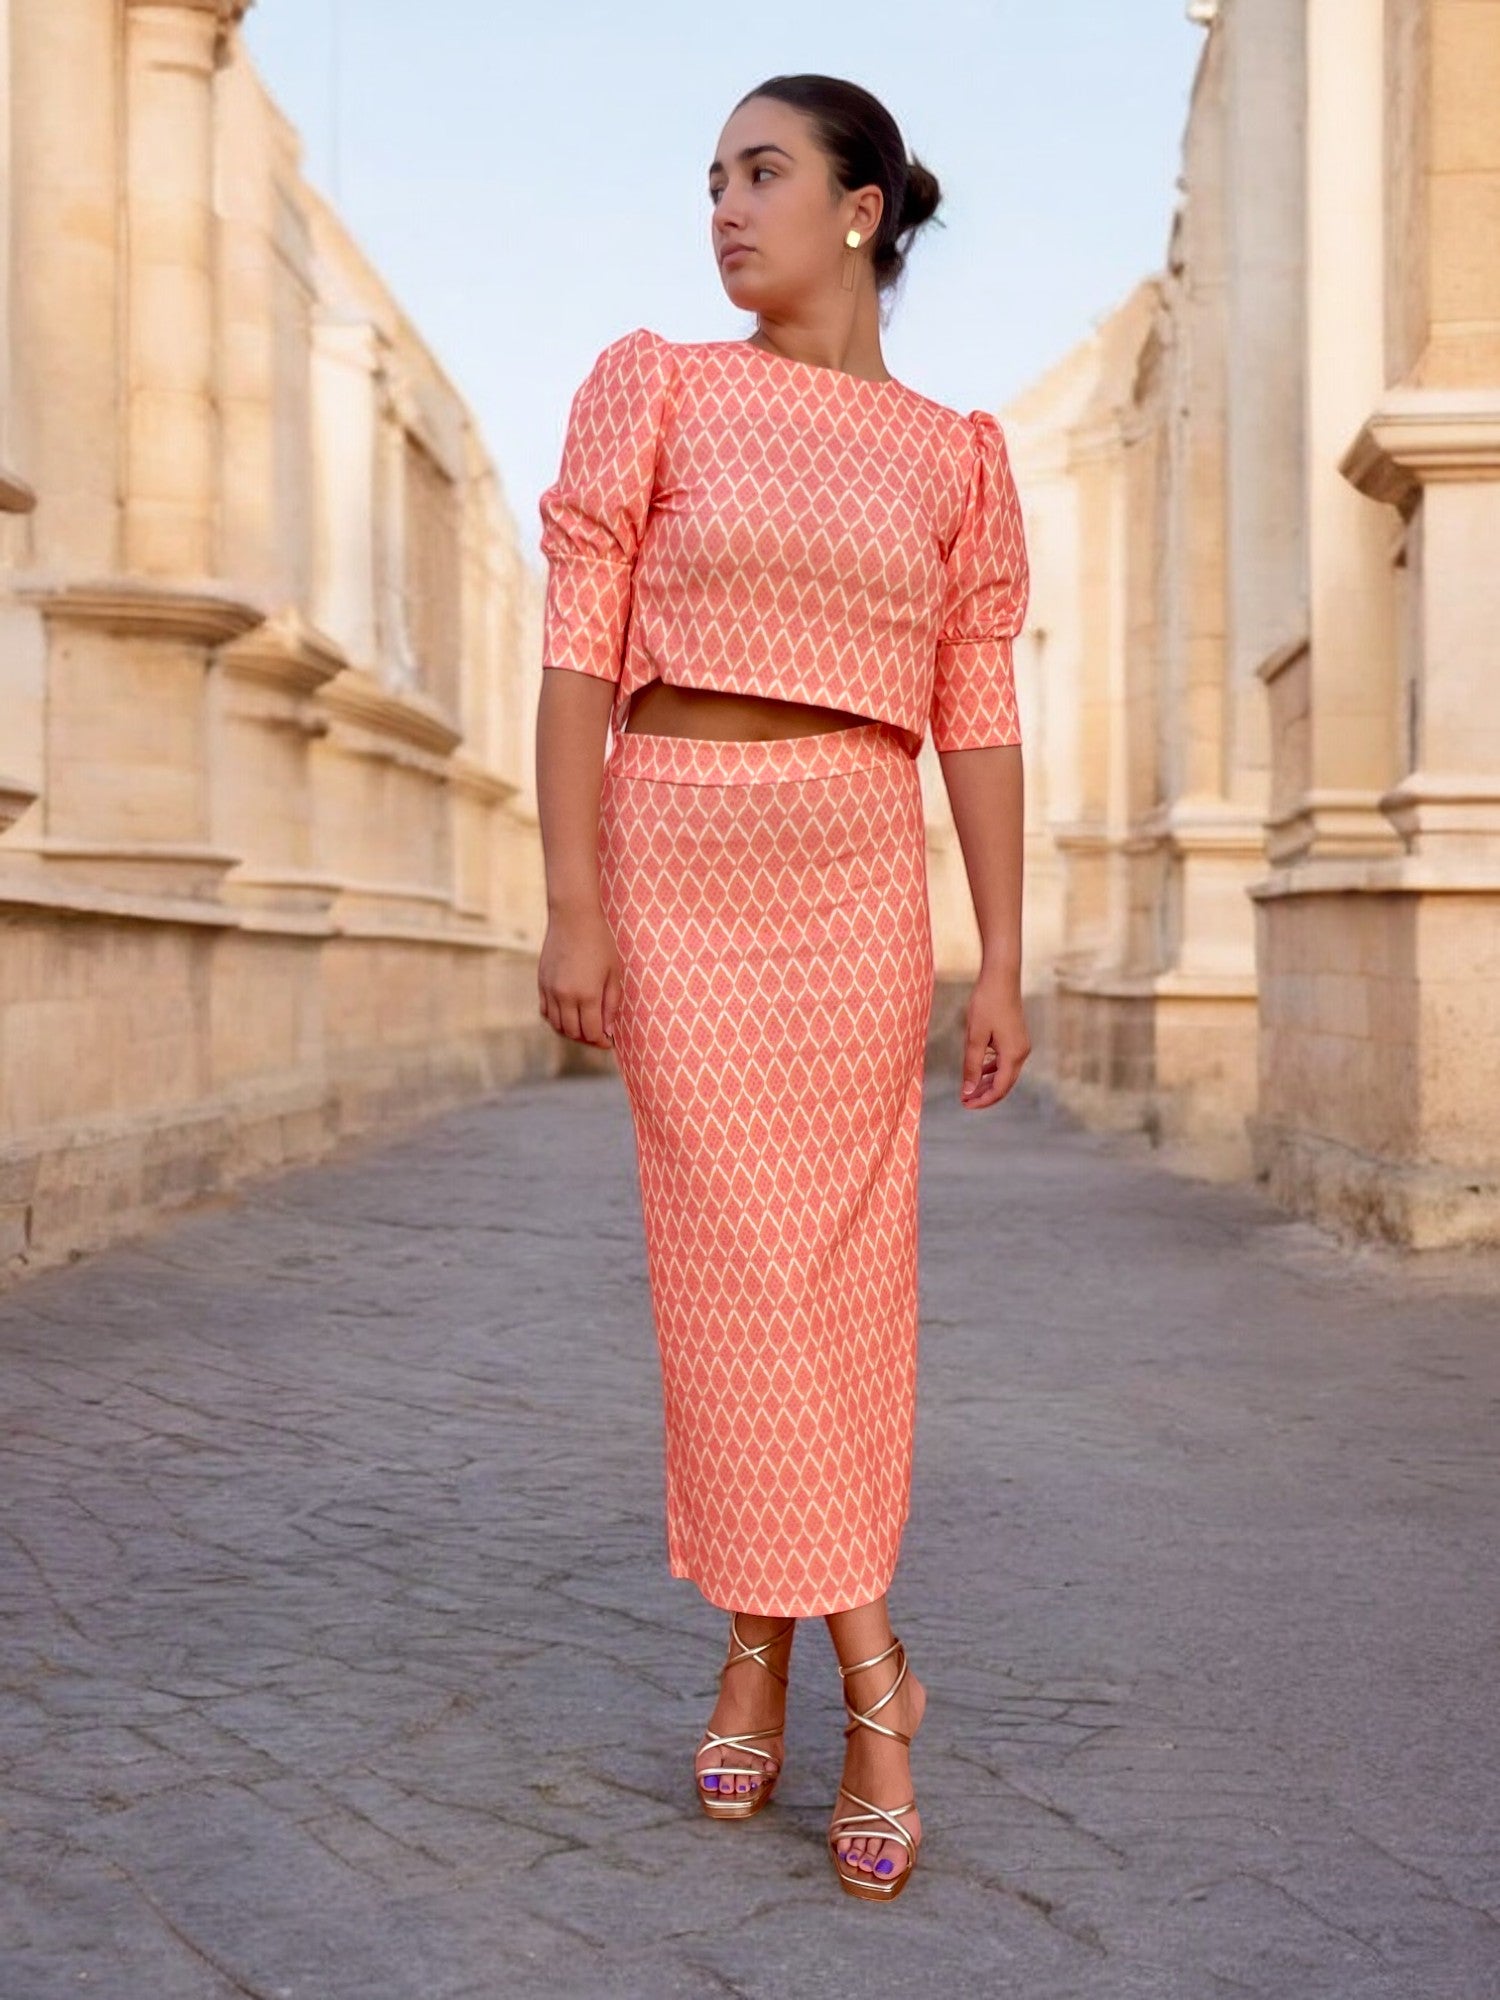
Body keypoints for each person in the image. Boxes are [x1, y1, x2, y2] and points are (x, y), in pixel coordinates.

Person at [533, 71, 1031, 1902]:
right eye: (713, 179)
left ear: (861, 209)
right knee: (732, 1273)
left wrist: (1004, 953)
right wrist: (572, 900)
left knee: (833, 1279)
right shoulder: (654, 385)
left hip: (848, 868)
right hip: (673, 854)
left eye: (764, 174)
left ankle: (759, 1648)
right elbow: (579, 659)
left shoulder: (956, 453)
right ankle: (873, 1681)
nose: (725, 209)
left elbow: (976, 715)